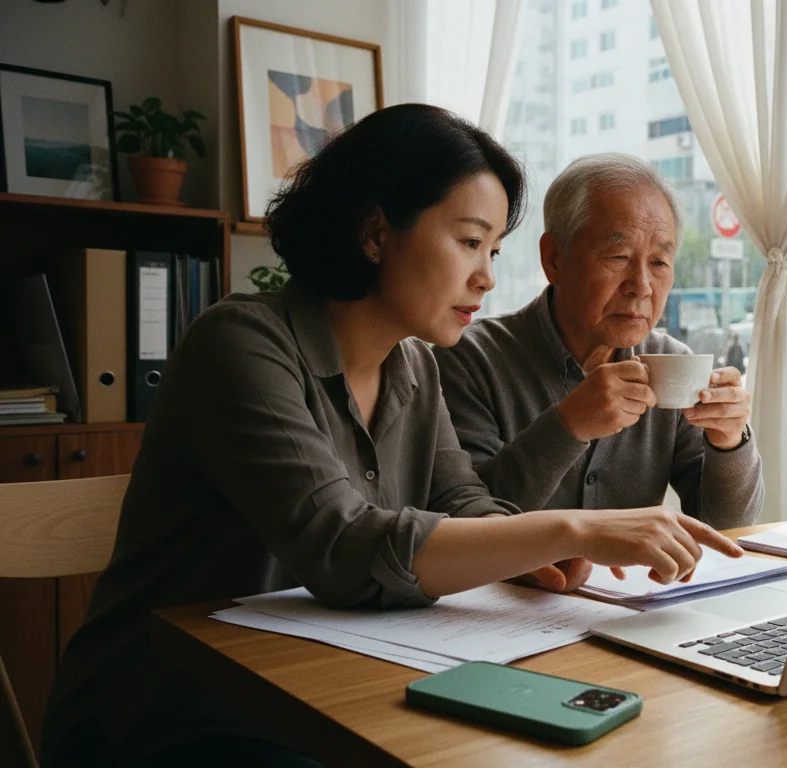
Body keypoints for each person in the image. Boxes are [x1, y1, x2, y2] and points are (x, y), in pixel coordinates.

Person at [41, 107, 741, 768]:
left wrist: (525, 552)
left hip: (325, 694)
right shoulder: (241, 344)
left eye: (494, 250)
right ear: (376, 232)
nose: (487, 277)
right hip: (173, 718)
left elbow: (466, 502)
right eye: (469, 242)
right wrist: (569, 530)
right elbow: (343, 545)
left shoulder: (412, 366)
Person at [436, 154, 763, 594]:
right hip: (495, 616)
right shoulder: (469, 359)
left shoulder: (670, 362)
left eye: (660, 264)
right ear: (553, 258)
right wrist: (568, 425)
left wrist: (729, 443)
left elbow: (726, 529)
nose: (642, 285)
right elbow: (464, 520)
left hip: (627, 617)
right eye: (619, 255)